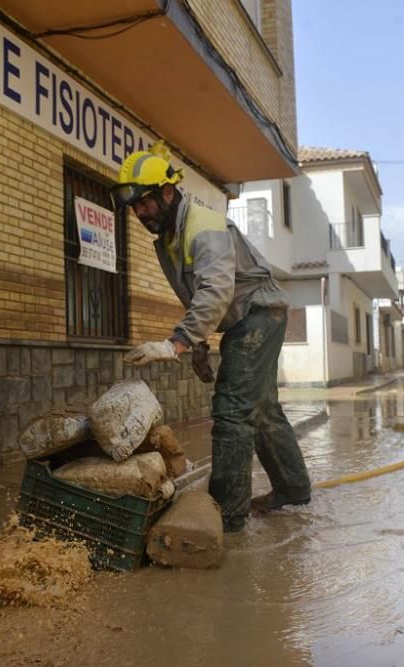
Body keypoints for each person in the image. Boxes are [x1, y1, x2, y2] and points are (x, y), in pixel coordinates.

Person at [111, 142, 311, 532]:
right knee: (262, 409)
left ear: (167, 192)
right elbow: (199, 292)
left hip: (259, 316)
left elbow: (216, 292)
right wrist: (200, 343)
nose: (139, 213)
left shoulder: (203, 227)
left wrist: (177, 343)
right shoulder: (170, 237)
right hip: (243, 320)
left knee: (232, 411)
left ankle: (226, 517)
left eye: (145, 203)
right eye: (134, 207)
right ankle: (293, 488)